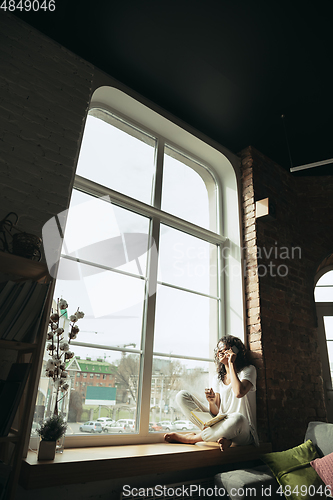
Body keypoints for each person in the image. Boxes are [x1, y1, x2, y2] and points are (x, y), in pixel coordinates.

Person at [164, 335, 259, 451]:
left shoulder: (248, 370)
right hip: (220, 424)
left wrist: (231, 364)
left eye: (224, 349)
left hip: (242, 429)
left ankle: (192, 439)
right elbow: (216, 412)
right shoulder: (217, 378)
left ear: (235, 350)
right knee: (182, 396)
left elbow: (239, 392)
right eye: (218, 349)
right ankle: (223, 438)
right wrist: (211, 402)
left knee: (237, 418)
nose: (220, 352)